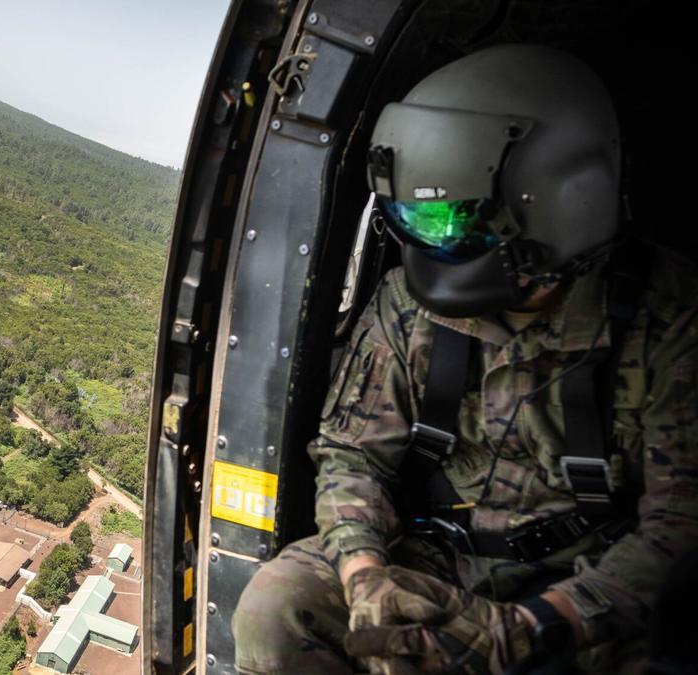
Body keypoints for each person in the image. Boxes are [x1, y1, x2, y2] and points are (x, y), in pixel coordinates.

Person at [231, 44, 698, 674]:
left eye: (456, 220)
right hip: (435, 559)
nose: (433, 239)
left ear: (558, 205)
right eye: (417, 217)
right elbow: (353, 454)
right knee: (277, 608)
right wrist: (366, 574)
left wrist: (532, 627)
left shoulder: (672, 317)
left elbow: (679, 528)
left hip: (593, 587)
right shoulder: (408, 303)